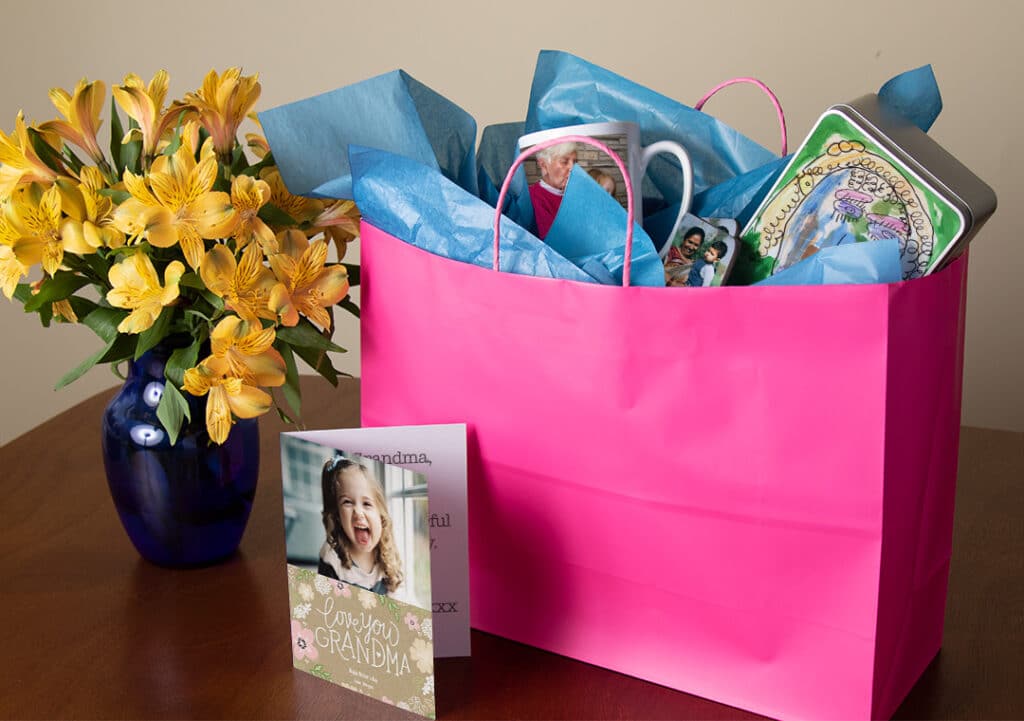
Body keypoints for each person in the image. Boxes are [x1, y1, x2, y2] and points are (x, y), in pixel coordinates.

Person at [318, 456, 404, 596]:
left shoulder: (387, 553)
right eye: (347, 502)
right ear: (338, 515)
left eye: (367, 503)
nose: (358, 512)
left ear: (380, 514)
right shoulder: (331, 558)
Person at [529, 141, 577, 239]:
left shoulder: (576, 194)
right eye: (564, 162)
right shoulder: (533, 197)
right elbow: (553, 242)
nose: (572, 168)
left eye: (575, 162)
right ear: (543, 165)